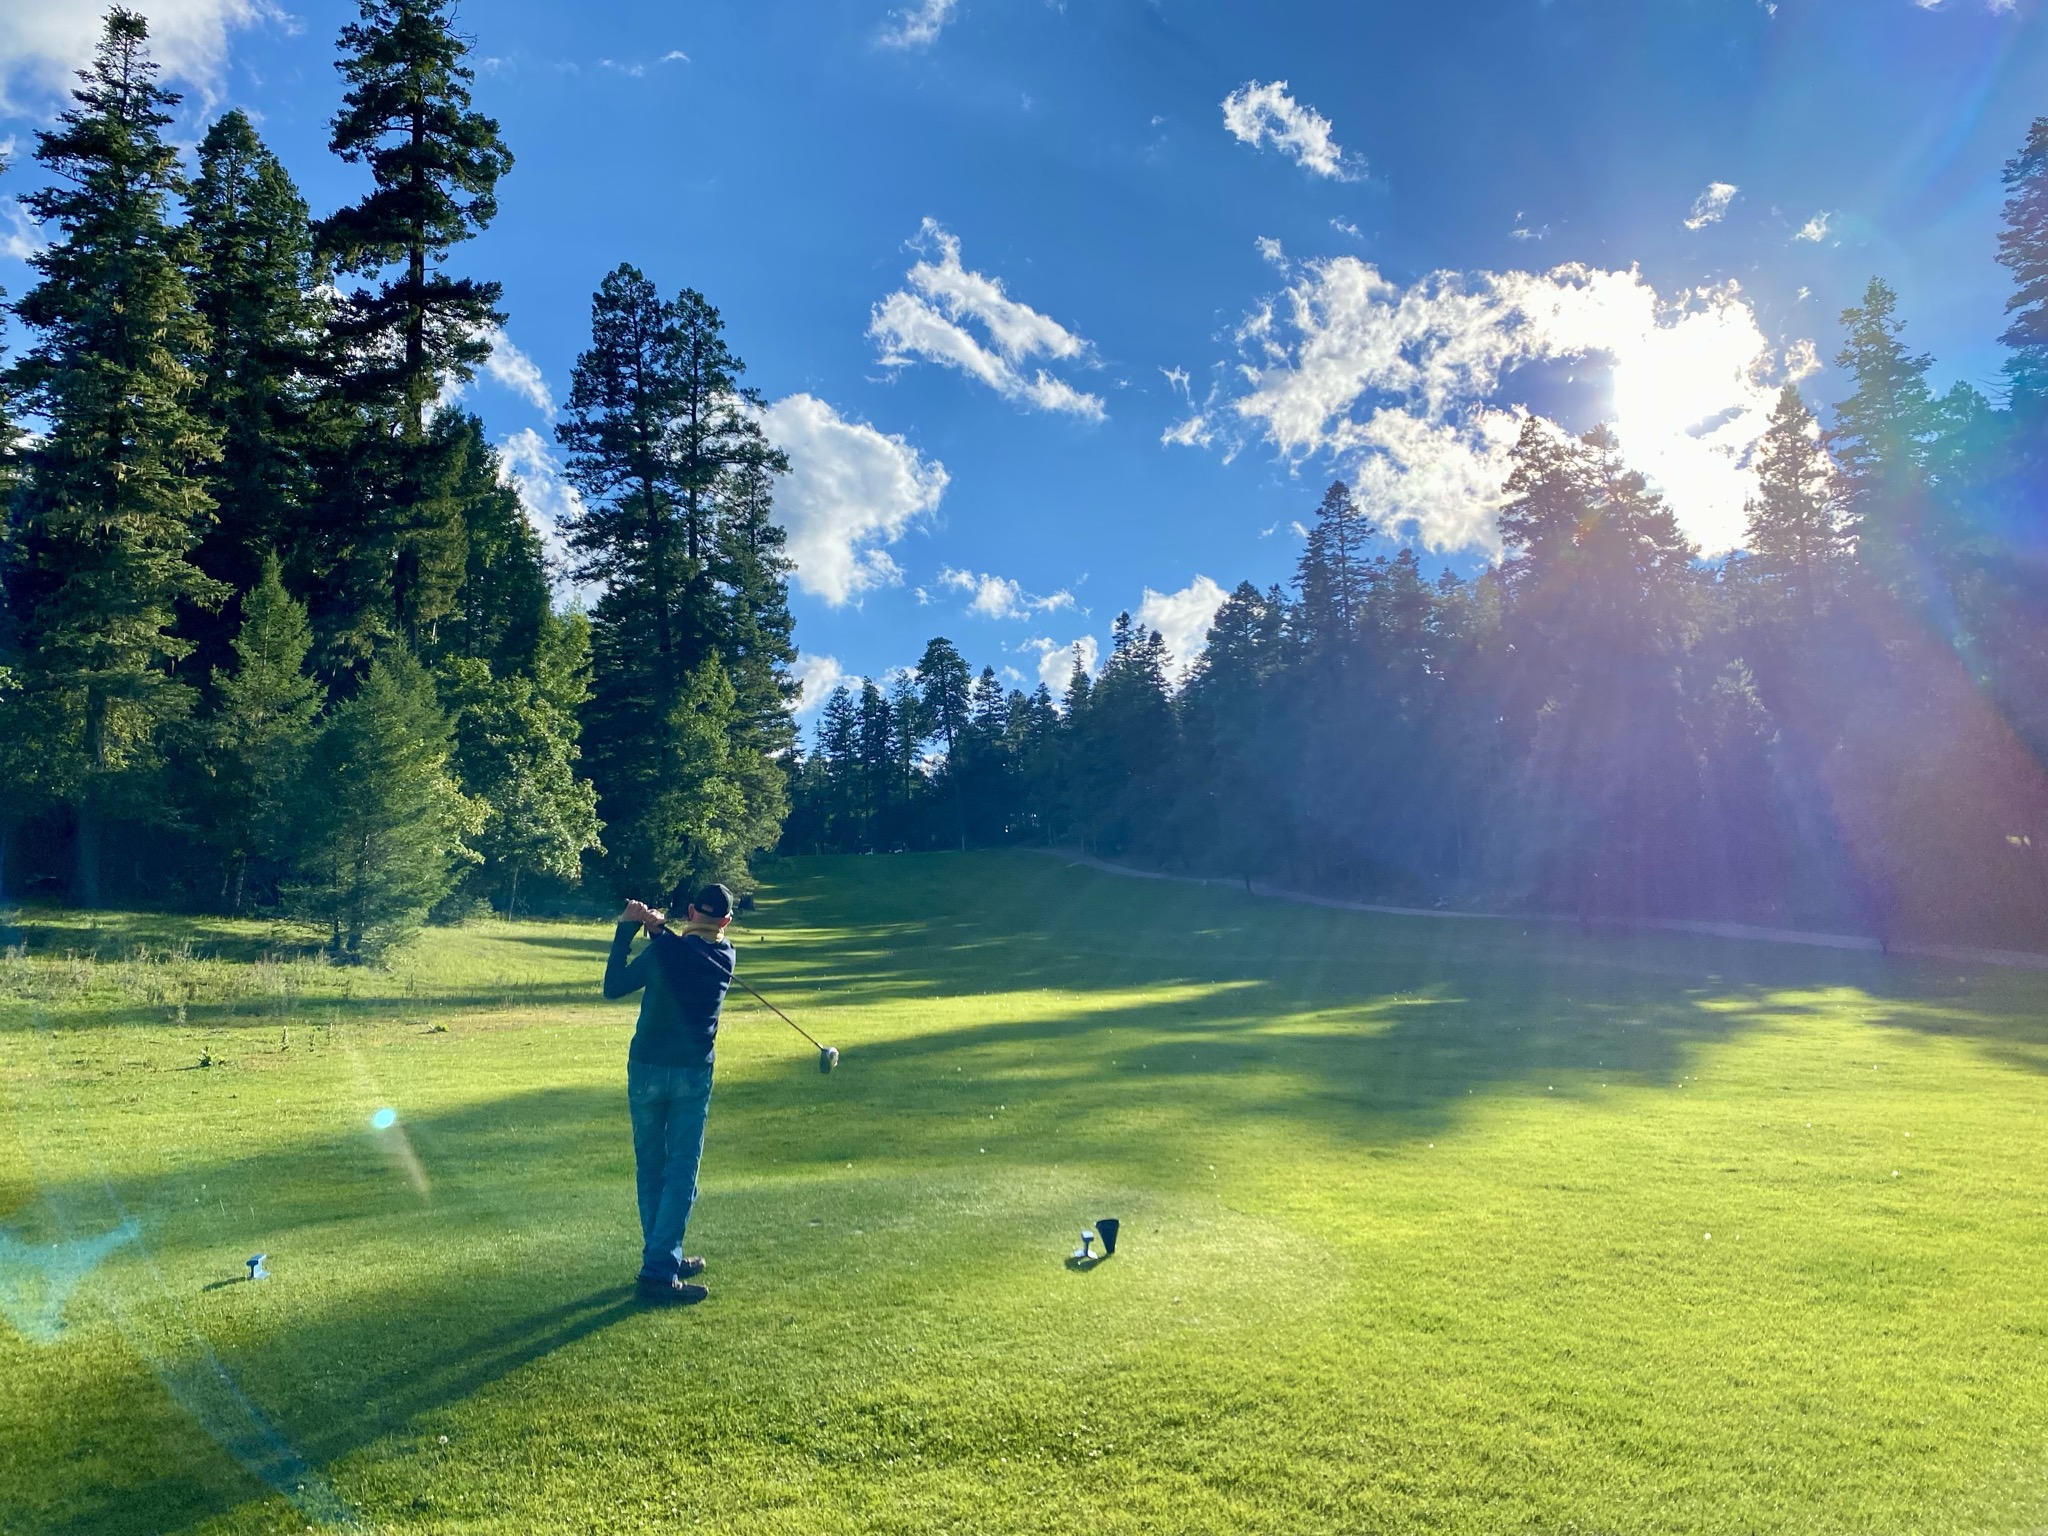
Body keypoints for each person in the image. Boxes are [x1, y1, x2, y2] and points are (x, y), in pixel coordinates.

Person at [604, 882, 737, 1305]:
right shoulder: (725, 954)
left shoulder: (671, 950)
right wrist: (659, 933)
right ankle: (660, 1265)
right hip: (691, 1074)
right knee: (681, 1170)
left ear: (692, 910)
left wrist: (628, 928)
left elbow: (614, 985)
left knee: (653, 1167)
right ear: (726, 921)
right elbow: (688, 952)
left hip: (646, 1067)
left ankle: (660, 1257)